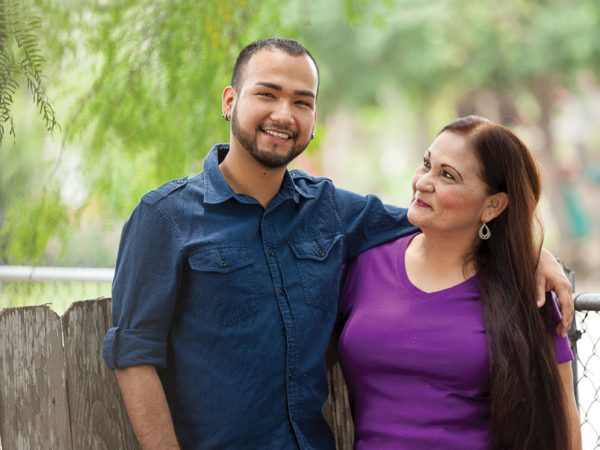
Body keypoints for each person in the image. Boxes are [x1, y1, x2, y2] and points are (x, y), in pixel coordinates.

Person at [102, 38, 574, 450]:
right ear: (230, 100)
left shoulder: (334, 211)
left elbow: (444, 221)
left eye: (302, 102)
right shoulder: (164, 217)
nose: (283, 114)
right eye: (267, 94)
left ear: (313, 117)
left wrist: (535, 254)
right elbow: (133, 353)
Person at [337, 116, 581, 449]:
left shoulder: (527, 292)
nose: (423, 182)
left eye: (447, 175)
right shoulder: (365, 265)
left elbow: (562, 424)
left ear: (492, 205)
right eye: (426, 164)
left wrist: (532, 255)